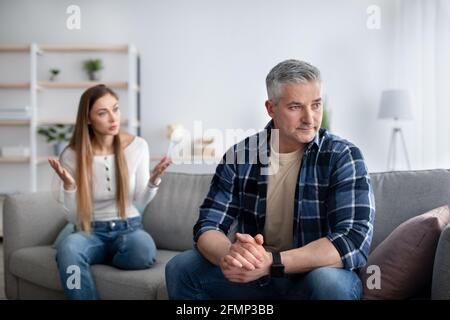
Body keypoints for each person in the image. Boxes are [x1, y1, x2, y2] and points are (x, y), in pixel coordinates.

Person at [165, 59, 375, 300]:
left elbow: (353, 240)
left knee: (329, 284)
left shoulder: (343, 156)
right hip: (257, 276)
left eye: (316, 105)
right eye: (296, 107)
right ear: (271, 108)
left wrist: (272, 262)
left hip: (314, 273)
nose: (310, 118)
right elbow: (208, 226)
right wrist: (234, 256)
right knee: (181, 269)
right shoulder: (240, 156)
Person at [49, 84, 171, 299]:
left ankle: (107, 254)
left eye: (115, 109)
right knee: (68, 250)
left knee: (143, 252)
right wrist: (69, 187)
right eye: (102, 113)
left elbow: (141, 198)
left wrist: (153, 181)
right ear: (88, 119)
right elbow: (73, 217)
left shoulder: (138, 146)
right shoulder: (71, 155)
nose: (113, 118)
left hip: (129, 228)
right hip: (89, 231)